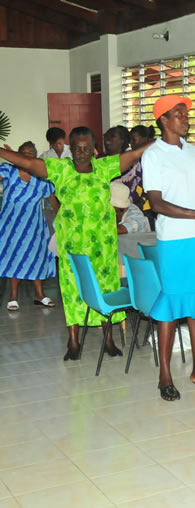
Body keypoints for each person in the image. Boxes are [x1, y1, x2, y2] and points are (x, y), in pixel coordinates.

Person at [0, 127, 152, 360]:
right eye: (77, 149)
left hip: (103, 246)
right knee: (72, 292)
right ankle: (73, 343)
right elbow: (27, 163)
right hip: (73, 247)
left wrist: (159, 143)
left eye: (85, 148)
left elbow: (132, 155)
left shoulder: (104, 168)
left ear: (92, 149)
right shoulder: (60, 169)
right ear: (71, 149)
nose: (81, 153)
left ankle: (108, 340)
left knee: (106, 290)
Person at [142, 95, 195, 402]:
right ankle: (165, 375)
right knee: (170, 306)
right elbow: (157, 203)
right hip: (175, 240)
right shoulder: (153, 155)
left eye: (186, 113)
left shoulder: (193, 152)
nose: (186, 118)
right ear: (164, 120)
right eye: (179, 114)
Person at [0, 141, 59, 311]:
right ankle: (13, 296)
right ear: (18, 156)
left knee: (37, 258)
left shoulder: (41, 179)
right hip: (11, 225)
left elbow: (53, 201)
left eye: (31, 154)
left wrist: (64, 218)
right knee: (14, 257)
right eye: (24, 153)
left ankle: (39, 294)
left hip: (34, 226)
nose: (28, 156)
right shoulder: (8, 171)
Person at [129, 125, 156, 227]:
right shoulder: (133, 157)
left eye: (133, 139)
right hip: (135, 205)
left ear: (144, 139)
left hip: (145, 206)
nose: (131, 143)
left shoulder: (150, 157)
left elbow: (152, 182)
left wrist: (142, 200)